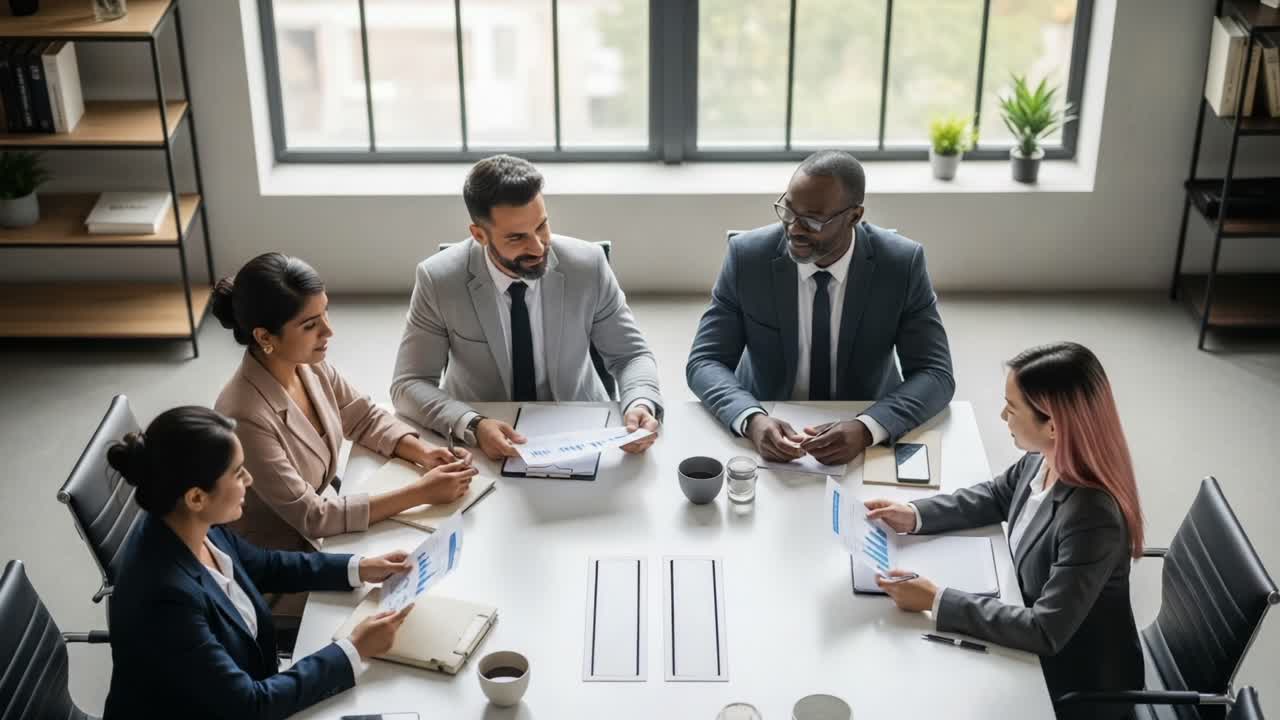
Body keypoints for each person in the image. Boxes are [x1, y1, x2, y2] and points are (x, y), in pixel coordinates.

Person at [865, 342, 1144, 720]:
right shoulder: (1043, 458)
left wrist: (936, 599)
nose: (1002, 416)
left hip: (1070, 685)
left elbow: (1045, 630)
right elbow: (997, 495)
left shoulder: (1092, 516)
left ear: (1054, 425)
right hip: (1024, 623)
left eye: (1012, 409)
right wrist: (914, 514)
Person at [103, 406, 416, 719]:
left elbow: (266, 566)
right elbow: (248, 706)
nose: (250, 480)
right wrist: (354, 650)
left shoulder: (189, 522)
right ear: (197, 497)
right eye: (238, 473)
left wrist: (359, 567)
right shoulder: (165, 599)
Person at [213, 253, 476, 615]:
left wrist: (423, 453)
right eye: (310, 325)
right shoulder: (244, 415)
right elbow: (314, 516)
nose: (329, 331)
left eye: (325, 313)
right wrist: (422, 492)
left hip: (326, 539)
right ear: (264, 337)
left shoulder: (306, 366)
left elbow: (363, 417)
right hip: (286, 568)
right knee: (412, 598)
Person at [686, 150, 954, 466]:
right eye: (788, 210)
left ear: (854, 217)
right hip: (767, 421)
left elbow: (935, 373)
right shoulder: (747, 257)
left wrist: (867, 428)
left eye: (812, 219)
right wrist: (751, 418)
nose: (794, 229)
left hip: (864, 420)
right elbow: (705, 360)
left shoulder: (901, 265)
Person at [391, 154, 663, 461]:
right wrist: (473, 425)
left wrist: (640, 402)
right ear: (479, 235)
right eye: (517, 238)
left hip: (580, 427)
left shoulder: (588, 265)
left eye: (542, 226)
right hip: (484, 437)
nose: (537, 246)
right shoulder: (438, 280)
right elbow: (408, 384)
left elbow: (631, 355)